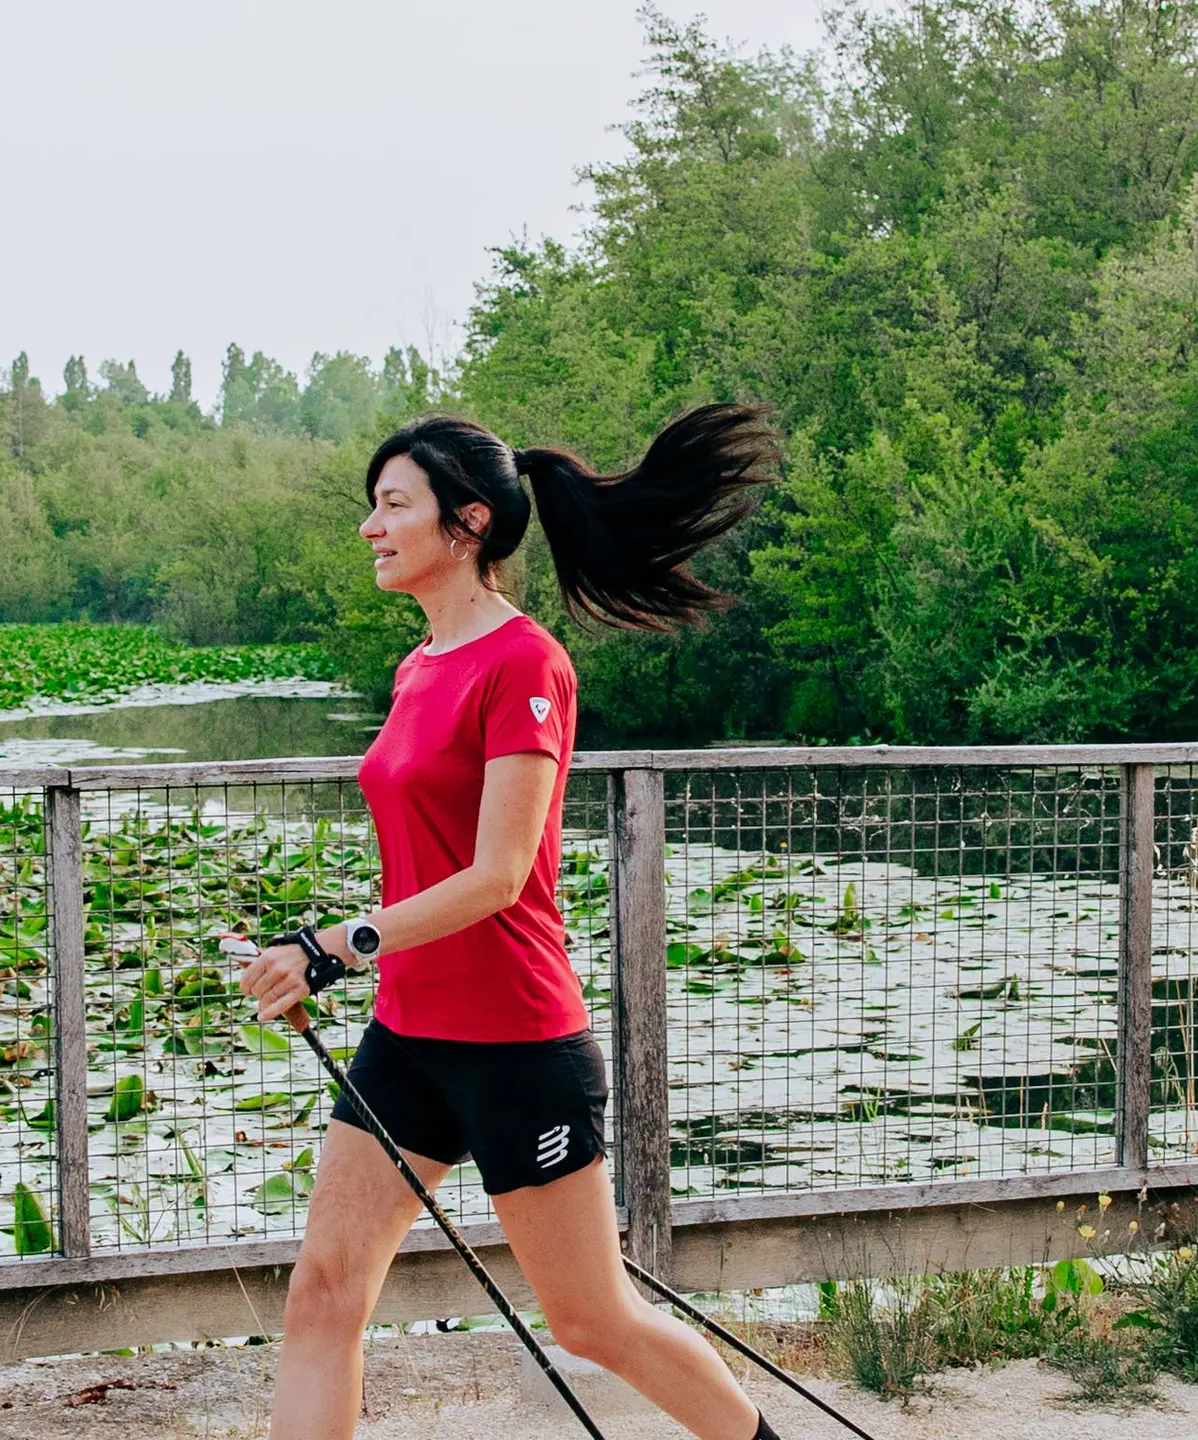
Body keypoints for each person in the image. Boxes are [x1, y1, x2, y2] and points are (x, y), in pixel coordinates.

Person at [236, 405, 783, 1440]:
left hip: (516, 1045)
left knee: (588, 1320)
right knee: (324, 1290)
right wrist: (334, 954)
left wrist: (333, 946)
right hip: (409, 1036)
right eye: (372, 506)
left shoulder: (524, 665)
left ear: (468, 523)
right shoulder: (417, 667)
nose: (371, 526)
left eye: (393, 504)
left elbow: (497, 875)